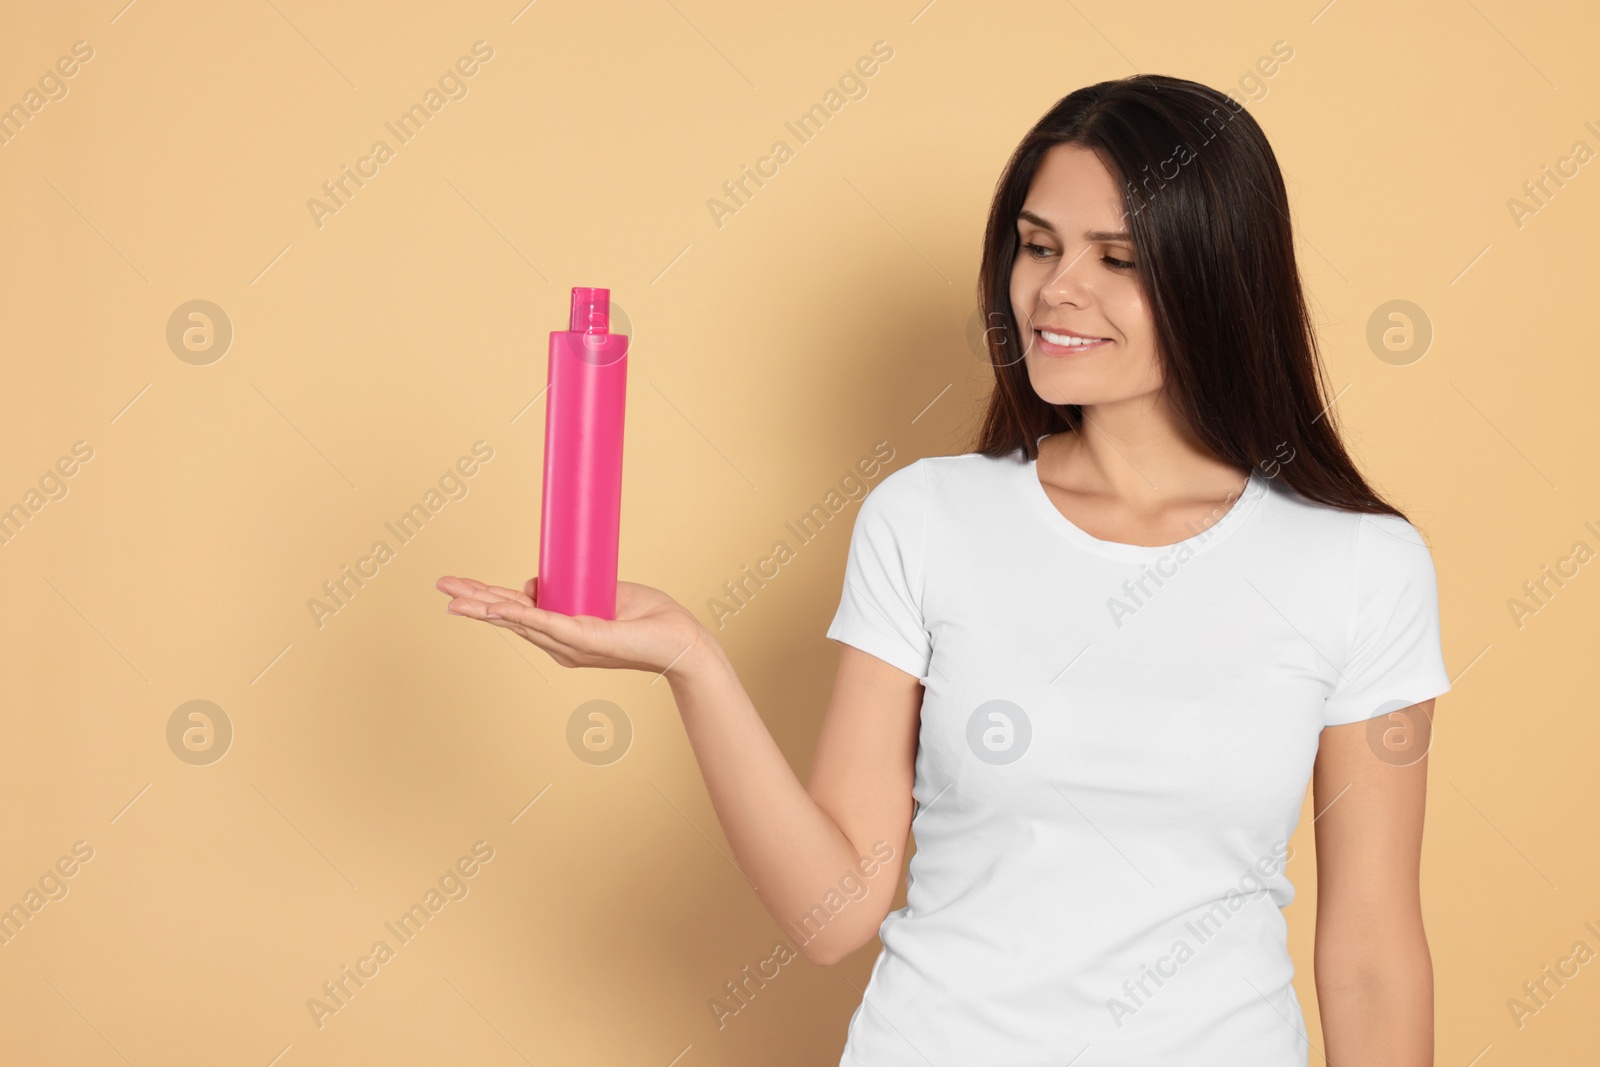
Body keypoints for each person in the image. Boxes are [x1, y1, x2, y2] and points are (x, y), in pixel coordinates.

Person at [437, 74, 1451, 1066]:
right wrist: (692, 660)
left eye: (1117, 257)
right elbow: (833, 914)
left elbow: (1369, 957)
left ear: (1214, 274)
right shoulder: (928, 519)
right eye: (1038, 245)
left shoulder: (1357, 564)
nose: (1056, 289)